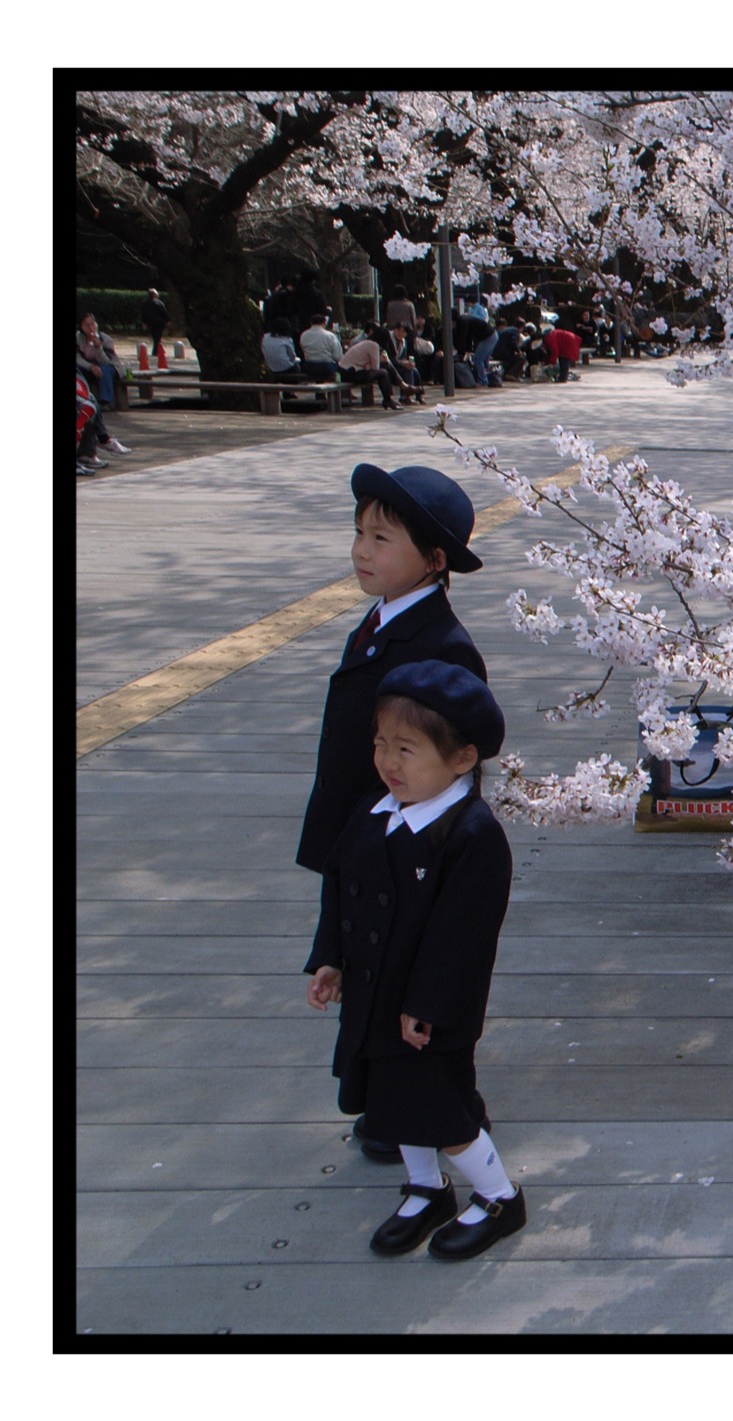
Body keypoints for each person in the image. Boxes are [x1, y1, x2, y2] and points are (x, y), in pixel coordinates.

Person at [297, 464, 491, 1160]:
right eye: (359, 534)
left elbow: (452, 759)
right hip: (365, 832)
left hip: (408, 848)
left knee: (413, 980)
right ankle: (390, 1107)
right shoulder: (380, 621)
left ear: (434, 560)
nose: (361, 551)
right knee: (369, 979)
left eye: (381, 539)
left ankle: (443, 1114)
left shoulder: (442, 645)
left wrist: (429, 843)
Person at [304, 659, 526, 1260]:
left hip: (429, 1010)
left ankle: (499, 1196)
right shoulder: (371, 814)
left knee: (442, 1109)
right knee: (392, 1100)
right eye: (380, 744)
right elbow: (338, 887)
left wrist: (427, 1004)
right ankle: (426, 1189)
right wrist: (330, 959)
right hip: (374, 992)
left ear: (461, 759)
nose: (387, 762)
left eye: (406, 749)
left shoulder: (471, 835)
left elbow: (462, 936)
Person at [73, 326, 133, 456]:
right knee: (87, 404)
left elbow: (106, 361)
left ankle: (97, 445)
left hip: (107, 367)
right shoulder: (79, 338)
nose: (91, 327)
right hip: (88, 368)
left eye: (93, 324)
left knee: (90, 402)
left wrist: (98, 346)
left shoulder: (104, 339)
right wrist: (91, 367)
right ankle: (95, 446)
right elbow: (78, 359)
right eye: (87, 325)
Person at [340, 324, 403, 409]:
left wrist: (370, 365)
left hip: (347, 371)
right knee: (383, 373)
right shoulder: (374, 346)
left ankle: (393, 394)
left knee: (385, 367)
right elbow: (375, 368)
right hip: (350, 372)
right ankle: (388, 398)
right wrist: (378, 362)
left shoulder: (367, 342)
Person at [299, 312, 344, 381]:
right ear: (324, 322)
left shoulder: (304, 335)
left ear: (311, 323)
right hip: (326, 367)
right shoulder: (330, 336)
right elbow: (338, 356)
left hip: (309, 367)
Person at [140, 288, 169, 359]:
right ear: (154, 295)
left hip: (150, 323)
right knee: (158, 337)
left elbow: (143, 313)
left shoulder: (144, 303)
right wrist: (168, 320)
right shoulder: (159, 303)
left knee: (155, 336)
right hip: (159, 323)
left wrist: (144, 322)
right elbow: (164, 312)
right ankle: (156, 351)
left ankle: (157, 350)